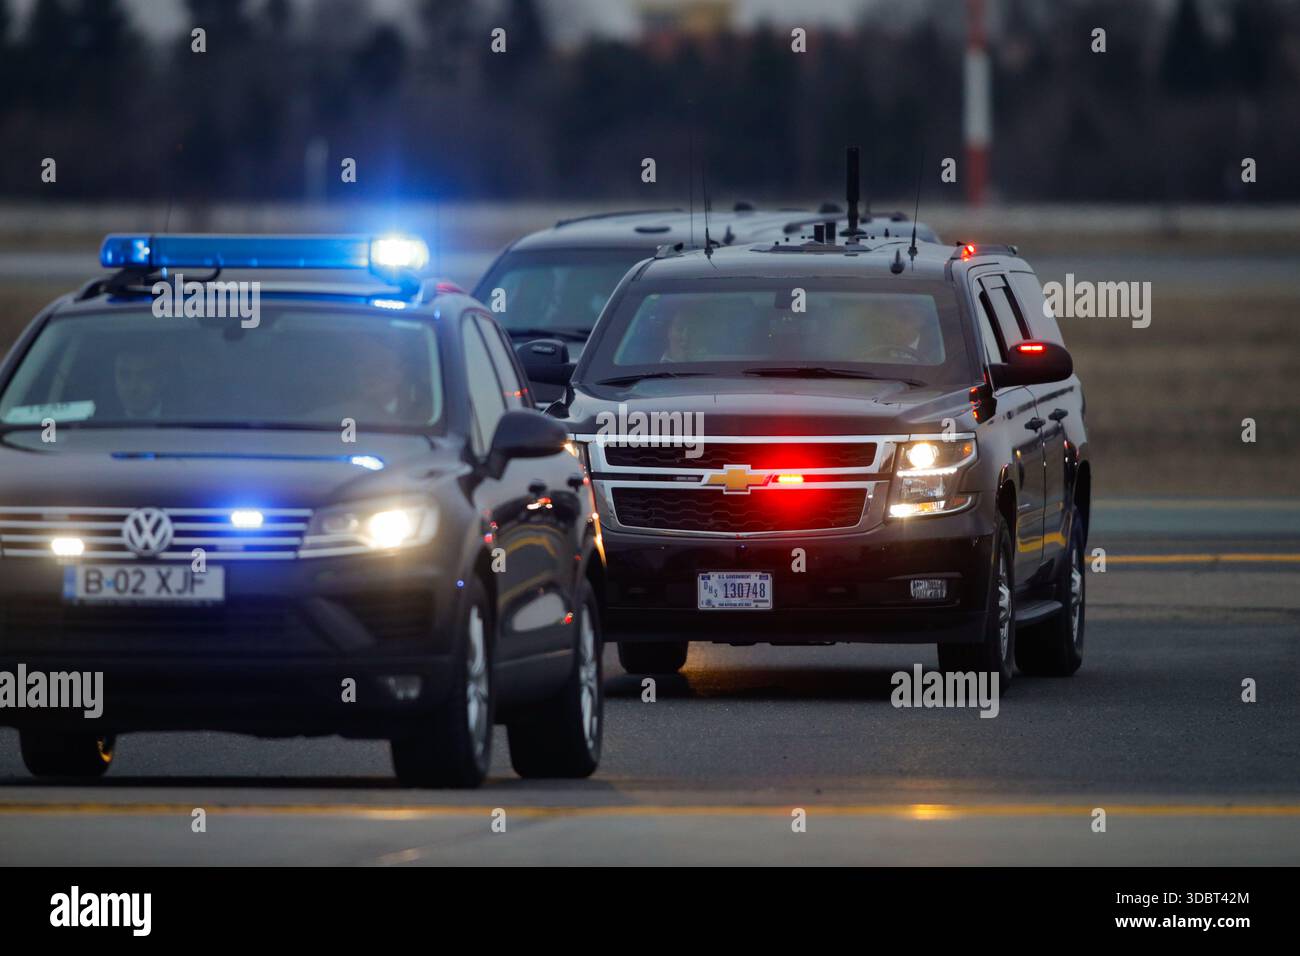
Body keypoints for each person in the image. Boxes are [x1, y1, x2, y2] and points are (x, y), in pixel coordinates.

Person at [113, 346, 169, 419]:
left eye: (145, 376)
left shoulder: (181, 421)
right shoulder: (98, 423)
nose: (133, 387)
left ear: (161, 380)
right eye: (124, 375)